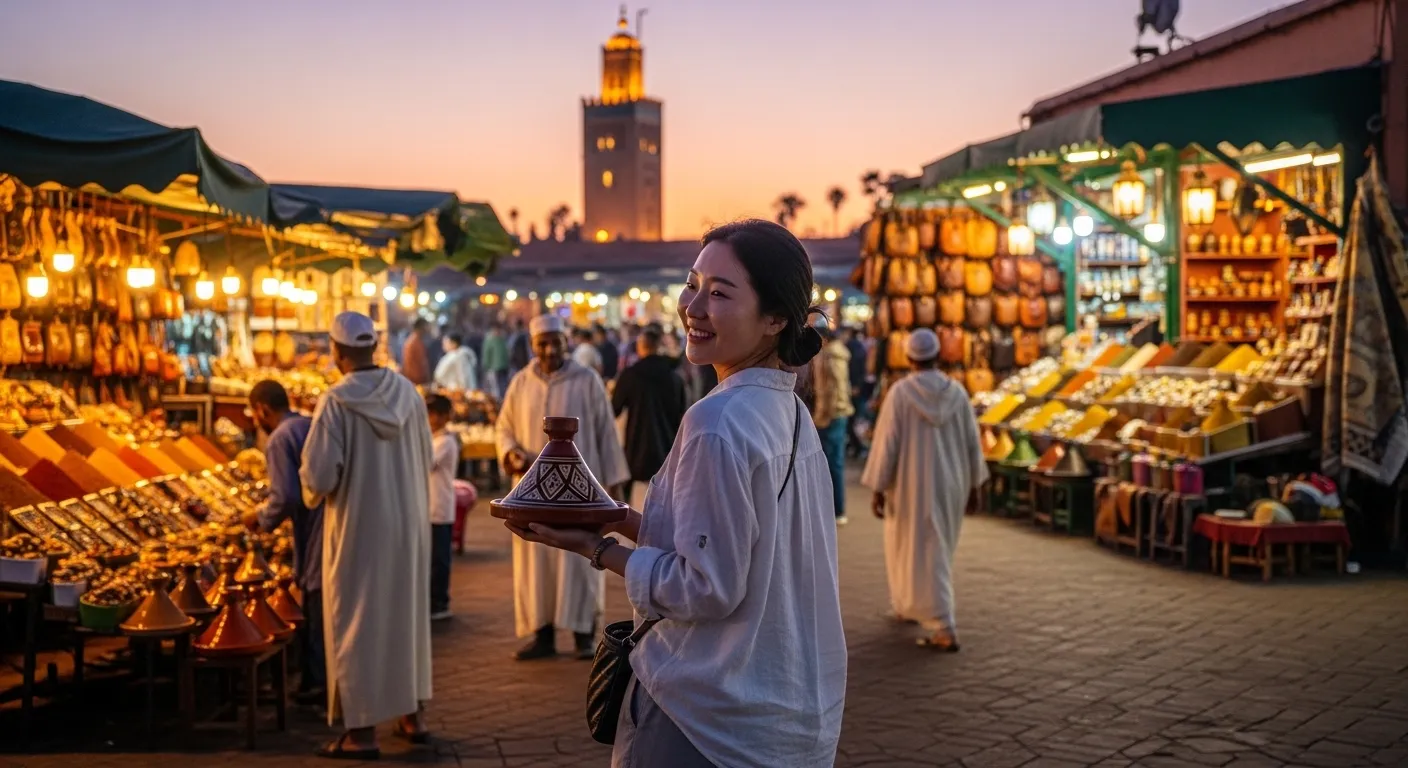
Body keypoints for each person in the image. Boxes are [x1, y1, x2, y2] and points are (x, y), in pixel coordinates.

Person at [507, 219, 846, 767]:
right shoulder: (787, 412)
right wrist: (617, 519)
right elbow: (729, 549)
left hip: (710, 717)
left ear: (775, 319)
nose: (694, 306)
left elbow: (706, 586)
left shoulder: (720, 420)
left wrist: (594, 550)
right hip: (786, 709)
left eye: (720, 293)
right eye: (693, 284)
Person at [300, 311, 434, 760]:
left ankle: (361, 734)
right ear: (373, 346)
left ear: (337, 352)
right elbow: (426, 456)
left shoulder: (335, 402)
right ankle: (412, 716)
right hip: (408, 527)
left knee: (356, 621)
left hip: (359, 530)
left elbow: (318, 476)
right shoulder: (409, 395)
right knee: (405, 618)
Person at [496, 314, 629, 661]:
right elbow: (504, 429)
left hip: (580, 498)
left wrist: (612, 489)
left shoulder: (587, 380)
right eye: (543, 343)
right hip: (532, 497)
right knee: (536, 566)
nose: (550, 349)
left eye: (556, 341)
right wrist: (510, 453)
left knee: (580, 562)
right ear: (533, 345)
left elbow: (605, 433)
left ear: (566, 342)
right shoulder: (521, 383)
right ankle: (541, 635)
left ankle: (584, 634)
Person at [861, 328, 987, 652]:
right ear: (939, 355)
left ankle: (944, 626)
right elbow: (973, 443)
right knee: (932, 548)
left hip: (909, 486)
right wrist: (975, 486)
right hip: (951, 484)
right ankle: (906, 605)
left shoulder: (901, 394)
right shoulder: (957, 392)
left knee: (918, 550)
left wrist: (877, 487)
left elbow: (887, 444)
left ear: (909, 357)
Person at [244, 380, 326, 706]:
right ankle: (318, 678)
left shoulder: (279, 438)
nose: (255, 421)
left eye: (254, 414)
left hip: (314, 529)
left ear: (262, 409)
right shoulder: (307, 424)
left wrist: (259, 518)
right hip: (326, 523)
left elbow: (285, 497)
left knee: (315, 601)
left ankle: (315, 682)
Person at [611, 327, 687, 509]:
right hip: (667, 450)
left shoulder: (631, 375)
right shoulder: (674, 377)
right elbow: (682, 414)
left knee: (636, 508)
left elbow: (614, 409)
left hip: (637, 450)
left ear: (640, 348)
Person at [812, 323, 855, 524]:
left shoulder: (829, 357)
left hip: (832, 414)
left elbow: (830, 390)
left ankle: (836, 510)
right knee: (833, 462)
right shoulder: (838, 355)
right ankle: (836, 509)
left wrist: (821, 416)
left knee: (831, 463)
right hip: (838, 412)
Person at [425, 393, 460, 621]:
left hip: (440, 507)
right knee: (432, 558)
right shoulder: (434, 439)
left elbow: (427, 462)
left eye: (437, 414)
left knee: (440, 559)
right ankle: (433, 600)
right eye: (430, 414)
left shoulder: (445, 442)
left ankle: (440, 601)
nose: (433, 419)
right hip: (430, 508)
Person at [843, 326, 870, 458]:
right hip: (859, 386)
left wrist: (854, 385)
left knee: (852, 419)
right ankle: (856, 445)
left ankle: (858, 446)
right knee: (855, 418)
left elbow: (853, 368)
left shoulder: (851, 346)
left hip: (853, 387)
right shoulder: (860, 346)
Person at [401, 318, 432, 386]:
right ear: (421, 327)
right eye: (426, 327)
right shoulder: (414, 342)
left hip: (414, 380)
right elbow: (422, 363)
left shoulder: (413, 340)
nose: (427, 330)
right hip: (416, 380)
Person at [481, 323, 509, 398]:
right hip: (496, 367)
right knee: (497, 386)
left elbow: (506, 352)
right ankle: (499, 400)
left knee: (499, 385)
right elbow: (487, 353)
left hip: (499, 367)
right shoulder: (496, 339)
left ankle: (500, 400)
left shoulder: (499, 339)